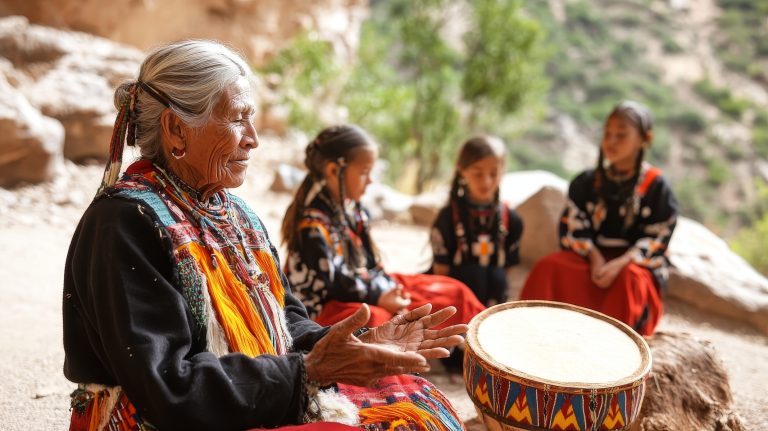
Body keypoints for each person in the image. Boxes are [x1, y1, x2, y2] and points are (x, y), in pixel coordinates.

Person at [62, 40, 470, 431]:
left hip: (245, 396)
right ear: (176, 130)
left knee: (414, 398)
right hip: (162, 419)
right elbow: (168, 385)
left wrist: (356, 342)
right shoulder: (124, 222)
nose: (253, 138)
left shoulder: (236, 214)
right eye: (238, 118)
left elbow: (284, 319)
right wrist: (309, 370)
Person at [281, 125, 485, 330]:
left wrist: (388, 289)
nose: (370, 181)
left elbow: (369, 264)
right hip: (326, 306)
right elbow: (336, 284)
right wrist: (380, 296)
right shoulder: (312, 227)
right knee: (378, 320)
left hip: (362, 286)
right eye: (364, 172)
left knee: (453, 292)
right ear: (334, 171)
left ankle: (484, 342)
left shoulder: (352, 209)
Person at [519, 100, 678, 336]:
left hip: (632, 266)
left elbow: (658, 238)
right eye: (608, 133)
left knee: (630, 280)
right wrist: (595, 258)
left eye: (621, 135)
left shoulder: (657, 187)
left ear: (645, 139)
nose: (611, 141)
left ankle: (614, 352)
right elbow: (574, 227)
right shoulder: (586, 182)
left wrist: (620, 263)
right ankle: (532, 334)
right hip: (591, 261)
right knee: (550, 267)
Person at [430, 135, 524, 306]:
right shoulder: (447, 218)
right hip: (455, 301)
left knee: (494, 275)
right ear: (462, 169)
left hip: (492, 303)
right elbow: (441, 273)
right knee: (474, 274)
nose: (486, 181)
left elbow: (506, 271)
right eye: (478, 173)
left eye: (493, 173)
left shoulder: (512, 220)